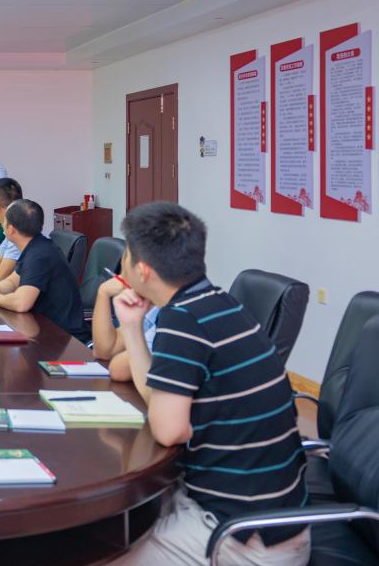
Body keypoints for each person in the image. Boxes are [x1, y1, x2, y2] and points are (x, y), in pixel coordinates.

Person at [108, 202, 308, 566]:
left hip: (243, 536)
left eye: (126, 255)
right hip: (268, 515)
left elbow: (168, 429)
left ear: (143, 269)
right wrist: (133, 328)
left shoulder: (182, 321)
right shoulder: (218, 303)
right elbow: (165, 402)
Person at [0, 199, 86, 339]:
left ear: (11, 229)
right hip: (44, 328)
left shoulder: (39, 254)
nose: (2, 225)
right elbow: (12, 282)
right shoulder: (35, 246)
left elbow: (21, 303)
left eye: (4, 222)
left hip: (64, 338)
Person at [91, 275, 160, 382]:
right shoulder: (153, 307)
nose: (122, 276)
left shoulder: (173, 311)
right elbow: (105, 351)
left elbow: (118, 370)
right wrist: (103, 293)